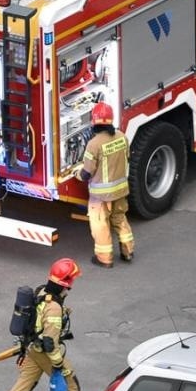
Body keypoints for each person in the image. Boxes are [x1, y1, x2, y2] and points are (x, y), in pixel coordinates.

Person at [0, 257, 89, 391]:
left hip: (32, 348)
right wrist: (58, 364)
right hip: (44, 353)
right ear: (67, 282)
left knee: (25, 382)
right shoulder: (53, 306)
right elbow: (49, 341)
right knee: (70, 383)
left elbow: (39, 317)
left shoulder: (41, 291)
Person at [77, 102, 134, 267]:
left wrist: (77, 174)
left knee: (100, 225)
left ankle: (105, 259)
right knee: (120, 219)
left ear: (94, 121)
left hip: (101, 196)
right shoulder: (122, 137)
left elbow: (87, 172)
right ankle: (128, 252)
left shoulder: (93, 145)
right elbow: (127, 158)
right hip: (121, 190)